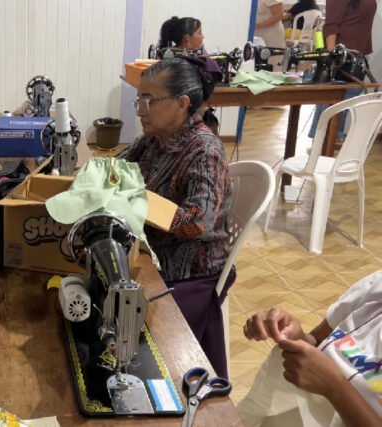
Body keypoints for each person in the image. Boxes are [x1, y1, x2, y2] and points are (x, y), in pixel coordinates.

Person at [118, 57, 233, 377]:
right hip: (152, 250)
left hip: (190, 271)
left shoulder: (203, 150)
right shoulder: (154, 140)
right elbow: (115, 168)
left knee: (113, 310)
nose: (140, 109)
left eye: (148, 100)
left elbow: (197, 221)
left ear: (181, 104)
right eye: (138, 99)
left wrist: (135, 198)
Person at [238, 271, 382, 426]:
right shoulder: (376, 286)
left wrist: (335, 387)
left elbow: (330, 381)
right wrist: (293, 335)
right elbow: (317, 340)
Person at [307, 0, 376, 143]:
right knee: (335, 97)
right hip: (342, 56)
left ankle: (332, 135)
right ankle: (327, 137)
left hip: (357, 54)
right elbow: (331, 25)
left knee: (347, 97)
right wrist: (333, 58)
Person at [255, 0, 286, 66]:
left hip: (271, 35)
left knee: (273, 63)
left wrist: (259, 25)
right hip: (258, 36)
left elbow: (279, 14)